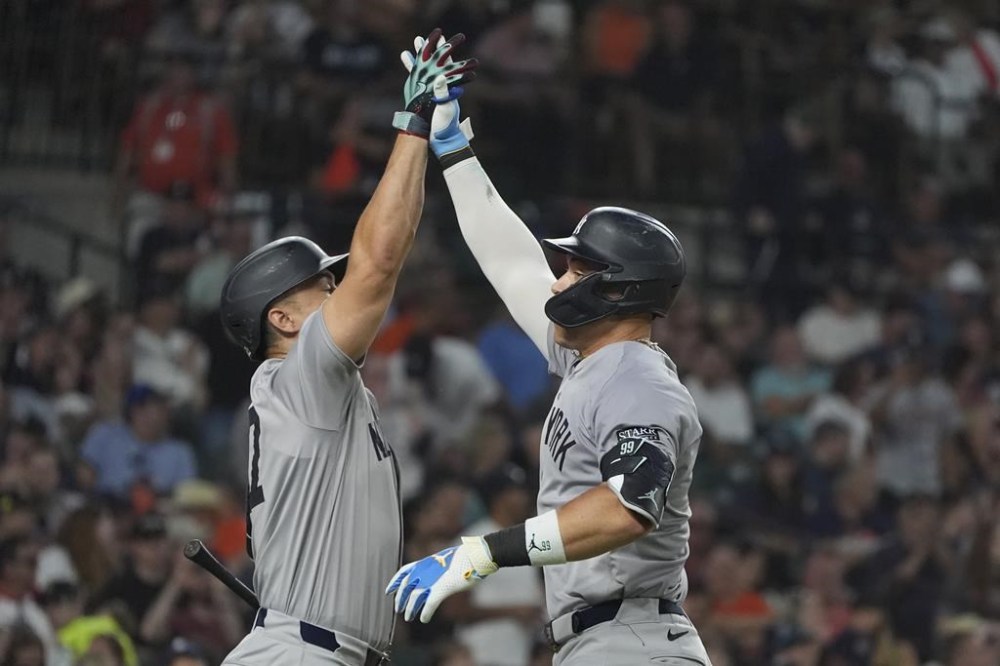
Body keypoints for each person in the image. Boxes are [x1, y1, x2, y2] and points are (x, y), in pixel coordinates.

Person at [386, 77, 711, 664]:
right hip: (604, 640)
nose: (558, 282)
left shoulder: (638, 381)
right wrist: (455, 150)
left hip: (631, 640)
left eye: (575, 270)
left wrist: (483, 553)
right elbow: (510, 263)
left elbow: (628, 505)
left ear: (618, 291)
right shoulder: (591, 361)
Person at [217, 30, 476, 666]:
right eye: (319, 285)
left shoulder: (320, 386)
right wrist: (411, 128)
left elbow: (390, 253)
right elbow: (379, 263)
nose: (336, 289)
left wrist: (421, 151)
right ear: (280, 318)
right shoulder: (299, 374)